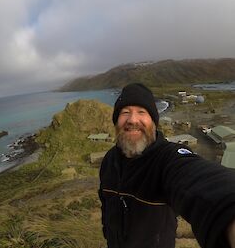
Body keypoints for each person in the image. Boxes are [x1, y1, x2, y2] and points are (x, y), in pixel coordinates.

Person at [99, 83, 235, 248]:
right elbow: (106, 207)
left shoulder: (167, 158)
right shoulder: (108, 161)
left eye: (142, 112)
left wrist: (227, 210)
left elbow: (202, 181)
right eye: (125, 112)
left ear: (154, 122)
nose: (132, 119)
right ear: (116, 122)